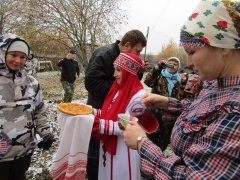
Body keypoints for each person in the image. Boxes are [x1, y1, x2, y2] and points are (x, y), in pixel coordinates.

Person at [123, 0, 240, 179]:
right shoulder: (215, 83)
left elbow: (191, 176)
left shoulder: (235, 112)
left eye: (192, 52)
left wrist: (141, 144)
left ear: (223, 47)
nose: (189, 62)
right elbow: (201, 114)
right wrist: (168, 103)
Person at [85, 29, 147, 180]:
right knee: (97, 160)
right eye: (137, 51)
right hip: (102, 110)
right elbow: (91, 82)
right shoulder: (105, 54)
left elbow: (129, 123)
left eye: (118, 70)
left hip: (123, 146)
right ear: (127, 45)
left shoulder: (137, 97)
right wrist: (89, 113)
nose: (138, 55)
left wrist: (131, 78)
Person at [0, 33, 55, 180]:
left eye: (23, 57)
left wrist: (46, 133)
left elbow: (39, 111)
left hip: (24, 151)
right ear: (3, 52)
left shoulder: (32, 83)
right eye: (13, 55)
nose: (18, 61)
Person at [144, 57, 186, 151]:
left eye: (174, 64)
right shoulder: (159, 75)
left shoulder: (180, 80)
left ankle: (158, 159)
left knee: (163, 142)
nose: (171, 66)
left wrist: (183, 84)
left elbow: (180, 100)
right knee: (149, 137)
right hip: (154, 113)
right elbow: (147, 82)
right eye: (169, 63)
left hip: (169, 117)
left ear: (178, 67)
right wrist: (158, 67)